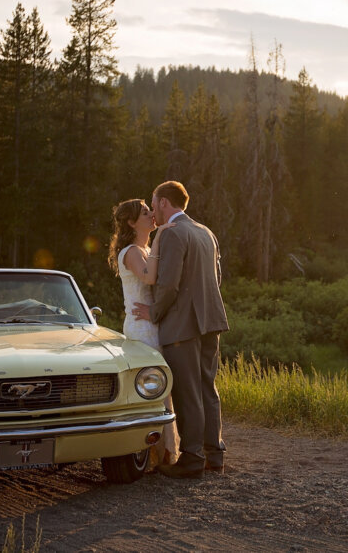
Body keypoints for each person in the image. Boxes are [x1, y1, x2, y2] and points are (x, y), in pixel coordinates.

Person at [133, 181, 229, 479]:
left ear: (164, 202)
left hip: (183, 324)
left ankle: (191, 459)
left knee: (188, 392)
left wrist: (155, 311)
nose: (153, 211)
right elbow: (217, 277)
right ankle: (214, 455)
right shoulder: (205, 232)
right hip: (210, 321)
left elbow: (169, 282)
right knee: (207, 389)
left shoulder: (173, 233)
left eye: (154, 203)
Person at [108, 198, 179, 467]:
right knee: (152, 385)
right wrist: (161, 237)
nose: (152, 216)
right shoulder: (132, 251)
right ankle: (157, 453)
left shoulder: (144, 248)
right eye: (146, 213)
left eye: (151, 211)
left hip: (151, 322)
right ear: (131, 222)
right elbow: (149, 278)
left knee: (160, 385)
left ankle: (165, 452)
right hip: (141, 327)